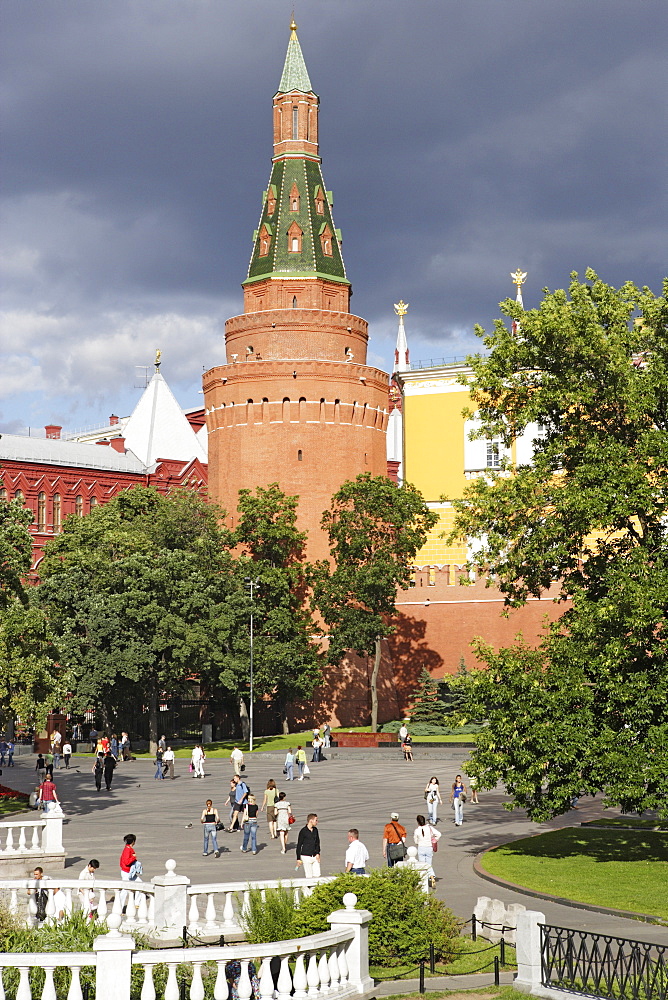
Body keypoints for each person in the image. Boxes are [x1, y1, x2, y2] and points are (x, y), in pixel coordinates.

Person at [413, 813, 440, 885]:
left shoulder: (417, 830)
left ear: (418, 822)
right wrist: (434, 840)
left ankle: (423, 879)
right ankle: (432, 876)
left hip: (421, 847)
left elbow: (415, 841)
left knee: (422, 864)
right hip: (429, 847)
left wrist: (418, 842)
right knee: (429, 864)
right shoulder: (429, 828)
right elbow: (438, 834)